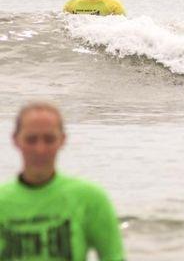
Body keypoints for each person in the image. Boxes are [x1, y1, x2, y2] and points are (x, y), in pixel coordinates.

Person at [0, 102, 125, 261]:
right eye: (31, 139)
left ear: (62, 140)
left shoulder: (89, 199)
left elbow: (113, 256)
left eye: (49, 139)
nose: (40, 149)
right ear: (16, 140)